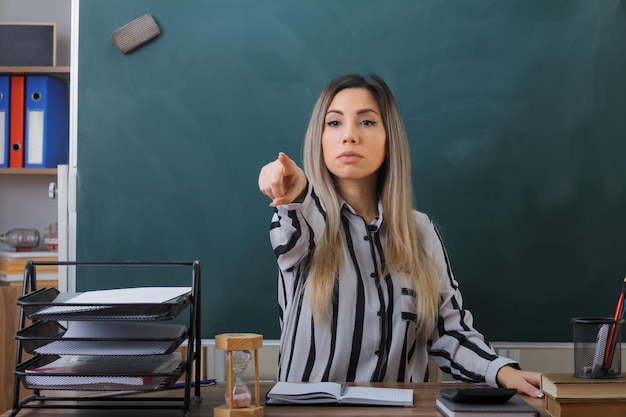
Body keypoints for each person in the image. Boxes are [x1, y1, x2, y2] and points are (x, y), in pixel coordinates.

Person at [257, 73, 543, 398]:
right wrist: (294, 196)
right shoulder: (305, 215)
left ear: (389, 137)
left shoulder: (420, 232)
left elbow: (448, 330)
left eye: (366, 122)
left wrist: (502, 372)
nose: (349, 136)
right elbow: (290, 239)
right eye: (334, 123)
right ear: (318, 139)